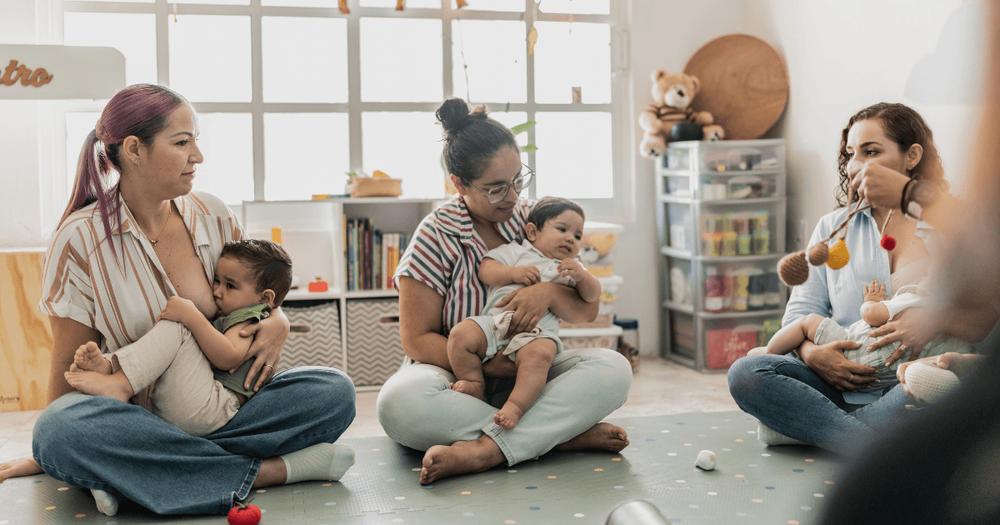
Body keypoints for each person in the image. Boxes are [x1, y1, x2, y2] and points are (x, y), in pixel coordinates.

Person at [0, 84, 356, 516]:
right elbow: (69, 359)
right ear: (134, 149)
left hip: (222, 409)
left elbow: (255, 292)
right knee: (59, 430)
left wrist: (275, 318)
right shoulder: (79, 238)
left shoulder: (214, 214)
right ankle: (269, 471)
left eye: (196, 141)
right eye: (182, 142)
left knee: (333, 391)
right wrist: (49, 449)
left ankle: (137, 472)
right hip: (134, 420)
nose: (198, 157)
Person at [376, 98, 632, 486]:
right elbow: (415, 339)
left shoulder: (534, 222)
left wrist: (546, 294)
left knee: (614, 368)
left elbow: (583, 313)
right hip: (457, 372)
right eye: (496, 189)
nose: (512, 197)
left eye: (517, 180)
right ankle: (557, 436)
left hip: (531, 366)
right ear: (459, 184)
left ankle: (487, 450)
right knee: (399, 405)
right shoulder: (434, 235)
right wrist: (484, 367)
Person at [728, 102, 999, 455]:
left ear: (912, 156)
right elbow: (799, 315)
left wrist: (932, 322)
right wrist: (813, 354)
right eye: (851, 154)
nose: (857, 165)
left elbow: (988, 320)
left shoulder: (951, 224)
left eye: (871, 152)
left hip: (911, 382)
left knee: (941, 386)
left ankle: (823, 431)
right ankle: (870, 445)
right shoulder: (832, 229)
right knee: (746, 373)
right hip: (835, 383)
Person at [449, 196, 602, 429]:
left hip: (537, 335)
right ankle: (473, 381)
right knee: (460, 335)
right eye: (562, 229)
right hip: (496, 324)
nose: (571, 238)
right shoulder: (517, 252)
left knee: (539, 357)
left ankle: (516, 407)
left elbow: (592, 297)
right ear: (532, 232)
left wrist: (583, 276)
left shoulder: (571, 267)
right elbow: (486, 270)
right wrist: (512, 274)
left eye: (578, 236)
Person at [756, 278, 973, 391]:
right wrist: (809, 353)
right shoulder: (961, 342)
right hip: (873, 379)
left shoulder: (915, 302)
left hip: (852, 347)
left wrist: (873, 301)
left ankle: (768, 352)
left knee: (807, 322)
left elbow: (871, 315)